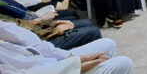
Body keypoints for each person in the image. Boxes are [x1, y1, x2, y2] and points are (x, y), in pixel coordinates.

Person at [0, 20, 134, 74]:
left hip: (45, 60)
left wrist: (70, 57)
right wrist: (74, 65)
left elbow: (33, 44)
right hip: (52, 70)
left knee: (107, 44)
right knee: (123, 62)